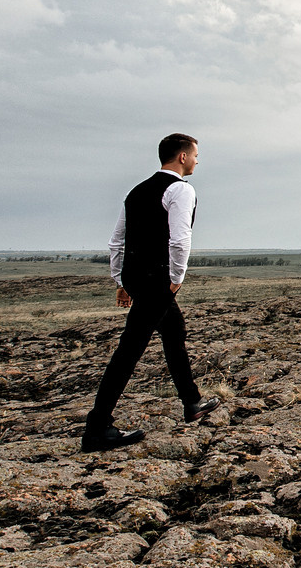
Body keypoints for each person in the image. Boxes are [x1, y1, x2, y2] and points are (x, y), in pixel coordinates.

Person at [83, 133, 221, 453]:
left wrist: (120, 281)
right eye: (195, 155)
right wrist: (175, 279)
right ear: (182, 157)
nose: (198, 160)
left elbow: (116, 241)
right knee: (129, 349)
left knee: (174, 331)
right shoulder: (180, 190)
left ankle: (192, 402)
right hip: (158, 279)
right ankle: (97, 427)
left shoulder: (135, 191)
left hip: (136, 277)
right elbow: (180, 238)